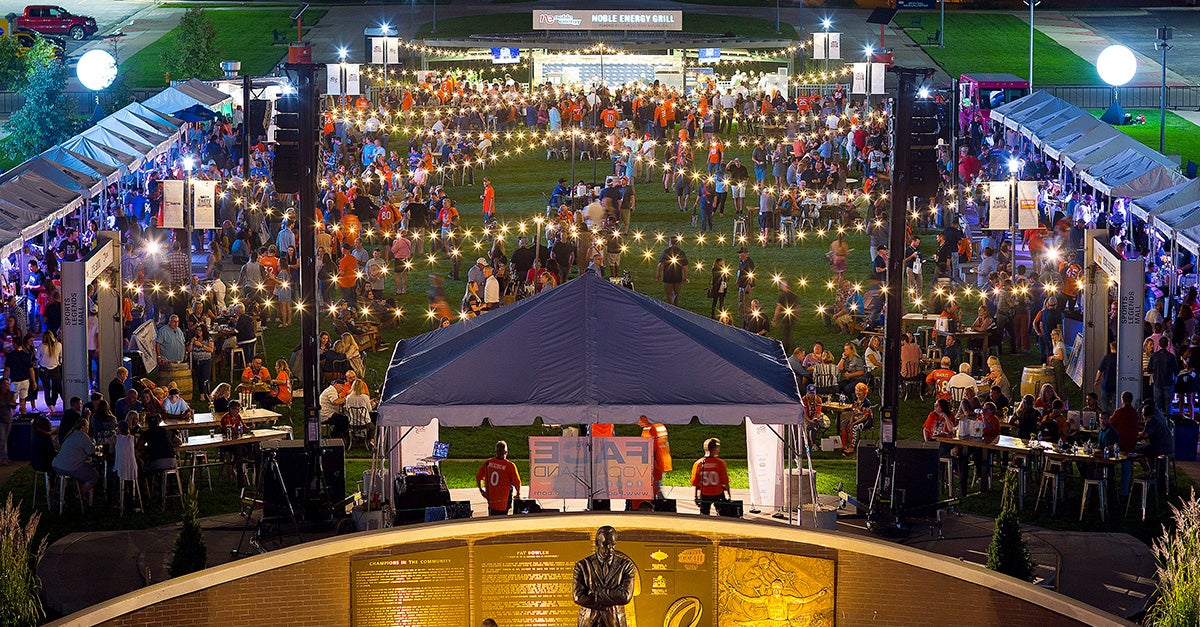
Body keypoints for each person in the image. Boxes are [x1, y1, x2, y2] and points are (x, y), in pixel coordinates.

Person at [573, 526, 636, 627]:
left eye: (613, 545)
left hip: (615, 621)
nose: (610, 550)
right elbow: (578, 596)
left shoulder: (626, 566)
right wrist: (610, 601)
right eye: (605, 545)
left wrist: (595, 594)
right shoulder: (582, 565)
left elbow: (625, 596)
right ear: (597, 543)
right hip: (588, 621)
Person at [52, 417, 97, 500]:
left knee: (83, 469)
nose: (88, 428)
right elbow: (91, 451)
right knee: (93, 476)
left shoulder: (71, 435)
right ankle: (80, 494)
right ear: (83, 427)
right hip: (70, 468)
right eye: (87, 426)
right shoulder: (83, 436)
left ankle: (70, 491)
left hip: (57, 465)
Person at [476, 440, 521, 516]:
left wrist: (481, 489)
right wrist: (518, 494)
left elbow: (478, 477)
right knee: (502, 519)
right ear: (506, 452)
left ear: (495, 451)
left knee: (491, 517)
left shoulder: (488, 463)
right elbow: (517, 483)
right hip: (504, 500)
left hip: (491, 499)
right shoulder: (510, 466)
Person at [690, 437, 730, 516]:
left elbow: (695, 482)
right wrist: (729, 494)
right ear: (716, 449)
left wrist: (696, 496)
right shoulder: (720, 463)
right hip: (718, 493)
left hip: (705, 494)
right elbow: (725, 481)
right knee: (723, 515)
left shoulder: (698, 463)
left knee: (704, 515)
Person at [637, 415, 671, 500]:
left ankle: (660, 506)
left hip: (655, 463)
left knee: (655, 488)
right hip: (661, 461)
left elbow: (651, 447)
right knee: (657, 487)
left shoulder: (651, 429)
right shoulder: (659, 426)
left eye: (640, 419)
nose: (638, 421)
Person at [656, 237, 688, 306]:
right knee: (676, 296)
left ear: (670, 242)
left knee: (668, 296)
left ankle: (670, 310)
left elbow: (660, 265)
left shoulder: (666, 252)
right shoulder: (681, 252)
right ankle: (676, 309)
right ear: (677, 243)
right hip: (678, 278)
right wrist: (685, 277)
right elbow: (685, 266)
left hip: (667, 278)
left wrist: (658, 274)